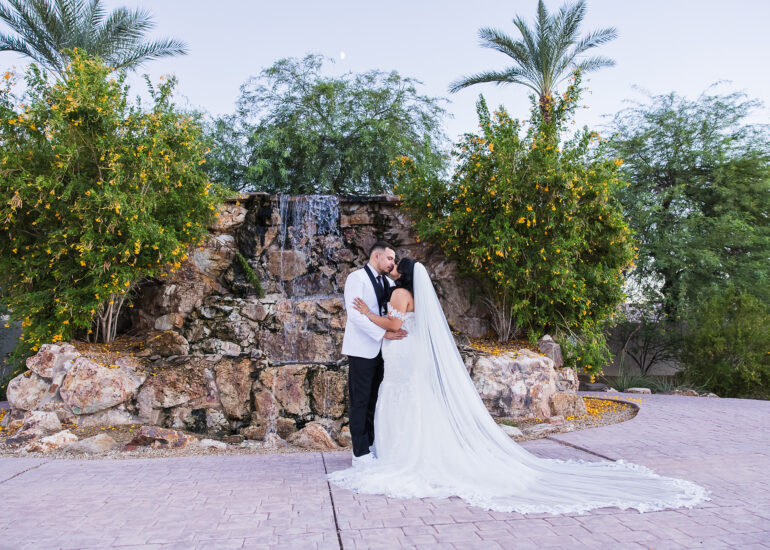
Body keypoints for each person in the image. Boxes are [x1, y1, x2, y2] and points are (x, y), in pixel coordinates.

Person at [329, 258, 709, 514]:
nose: (393, 269)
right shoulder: (415, 296)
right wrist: (389, 327)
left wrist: (367, 315)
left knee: (399, 399)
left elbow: (395, 328)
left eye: (398, 266)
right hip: (409, 357)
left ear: (405, 276)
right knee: (410, 401)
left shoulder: (398, 294)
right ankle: (404, 453)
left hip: (402, 358)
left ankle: (400, 458)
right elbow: (405, 328)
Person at [340, 241, 406, 466]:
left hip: (383, 353)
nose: (392, 263)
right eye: (390, 258)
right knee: (360, 400)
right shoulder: (356, 279)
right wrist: (383, 334)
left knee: (374, 400)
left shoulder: (388, 282)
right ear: (376, 256)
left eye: (394, 260)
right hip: (361, 349)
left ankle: (370, 445)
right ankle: (359, 453)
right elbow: (355, 316)